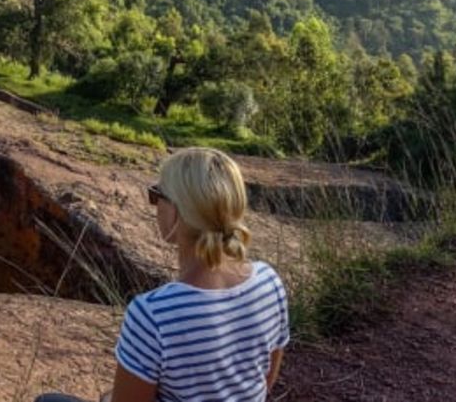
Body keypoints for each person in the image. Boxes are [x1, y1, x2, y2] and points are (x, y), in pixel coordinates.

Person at [36, 147, 289, 402]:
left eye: (156, 195)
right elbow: (266, 379)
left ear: (177, 212)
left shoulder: (153, 315)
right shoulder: (270, 281)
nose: (154, 205)